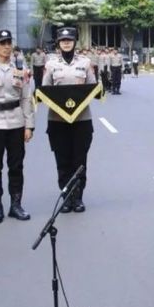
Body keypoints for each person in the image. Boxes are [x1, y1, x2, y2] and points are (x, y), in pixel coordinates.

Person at [42, 27, 96, 213]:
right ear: (58, 42)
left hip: (82, 120)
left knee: (80, 160)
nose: (66, 42)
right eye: (63, 39)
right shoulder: (50, 64)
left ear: (75, 42)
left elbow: (93, 88)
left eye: (69, 39)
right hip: (57, 121)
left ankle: (78, 197)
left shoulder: (86, 62)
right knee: (62, 159)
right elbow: (45, 90)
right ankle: (66, 196)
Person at [0, 30, 34, 224]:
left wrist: (29, 125)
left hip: (16, 122)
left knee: (16, 166)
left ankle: (15, 205)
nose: (6, 46)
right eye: (2, 43)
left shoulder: (20, 69)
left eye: (9, 42)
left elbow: (27, 98)